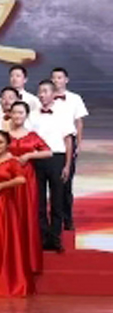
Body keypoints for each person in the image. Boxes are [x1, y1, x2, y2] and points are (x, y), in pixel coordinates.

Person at [0, 131, 30, 297]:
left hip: (4, 204)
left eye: (0, 142)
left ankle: (1, 280)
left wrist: (1, 186)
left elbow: (21, 179)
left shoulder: (11, 162)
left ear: (7, 145)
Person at [30, 79, 75, 252]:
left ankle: (55, 238)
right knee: (39, 201)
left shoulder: (63, 113)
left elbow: (68, 141)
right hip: (37, 159)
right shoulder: (32, 114)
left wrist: (67, 165)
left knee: (57, 200)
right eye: (40, 91)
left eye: (45, 91)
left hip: (57, 158)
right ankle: (43, 237)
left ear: (53, 94)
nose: (41, 95)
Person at [8, 101, 52, 274]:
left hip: (27, 178)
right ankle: (9, 258)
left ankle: (28, 261)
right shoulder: (3, 135)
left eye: (21, 113)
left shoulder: (32, 135)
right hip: (8, 177)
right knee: (8, 215)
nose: (17, 116)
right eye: (15, 112)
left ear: (26, 115)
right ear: (10, 114)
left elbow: (48, 152)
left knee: (26, 214)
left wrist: (29, 156)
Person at [51, 67, 88, 231]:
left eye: (60, 77)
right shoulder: (46, 97)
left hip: (68, 142)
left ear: (66, 80)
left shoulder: (75, 98)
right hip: (50, 142)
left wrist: (78, 143)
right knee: (52, 182)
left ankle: (67, 218)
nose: (56, 80)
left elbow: (79, 122)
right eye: (54, 78)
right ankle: (53, 218)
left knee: (66, 182)